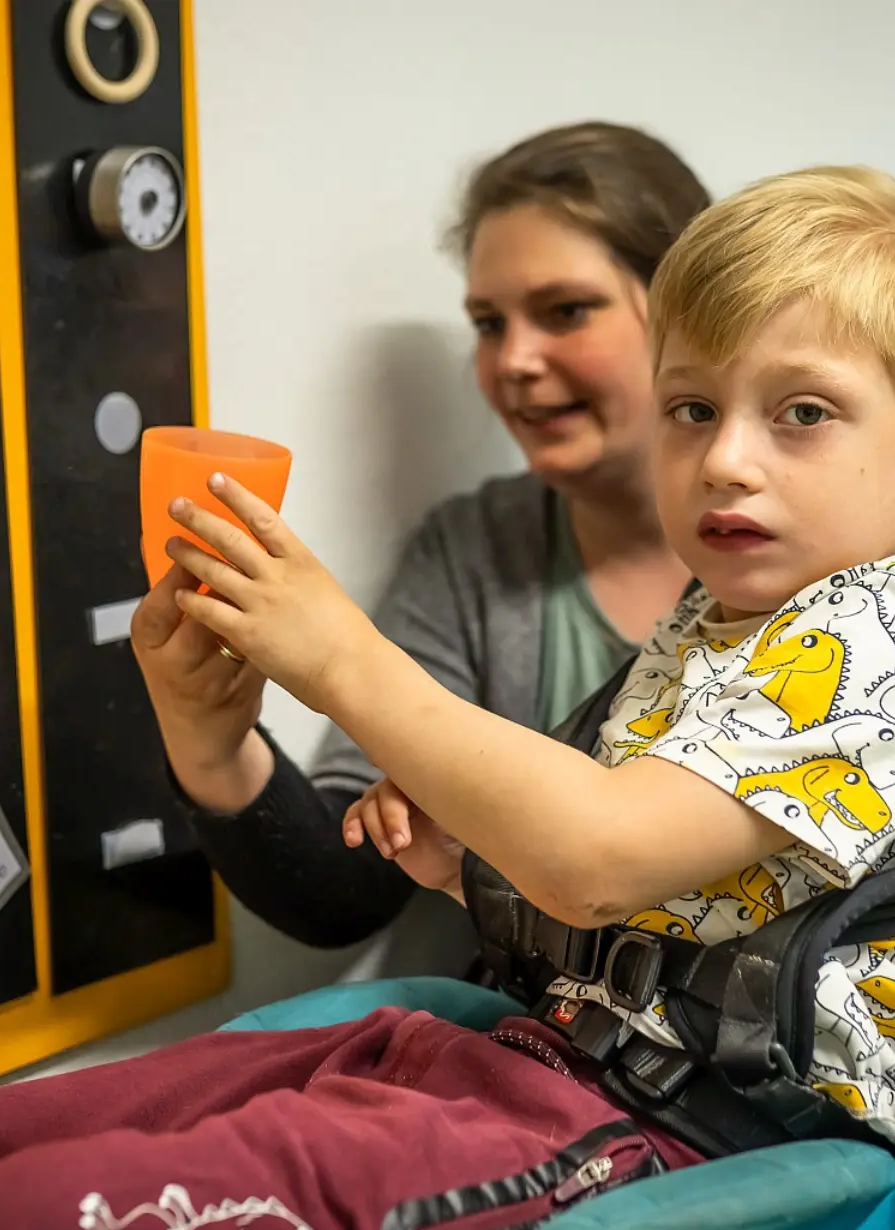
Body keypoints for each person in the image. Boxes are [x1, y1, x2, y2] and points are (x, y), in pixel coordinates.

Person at [0, 164, 895, 1230]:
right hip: (541, 1050)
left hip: (681, 1129)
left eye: (801, 413)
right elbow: (653, 886)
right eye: (692, 409)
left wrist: (343, 656)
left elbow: (604, 854)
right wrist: (436, 841)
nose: (726, 461)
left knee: (42, 1224)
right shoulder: (711, 613)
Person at [139, 123, 708, 949]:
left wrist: (339, 659)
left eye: (564, 311)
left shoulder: (811, 560)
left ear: (690, 311)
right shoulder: (474, 548)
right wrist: (209, 742)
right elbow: (349, 879)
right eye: (488, 323)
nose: (514, 360)